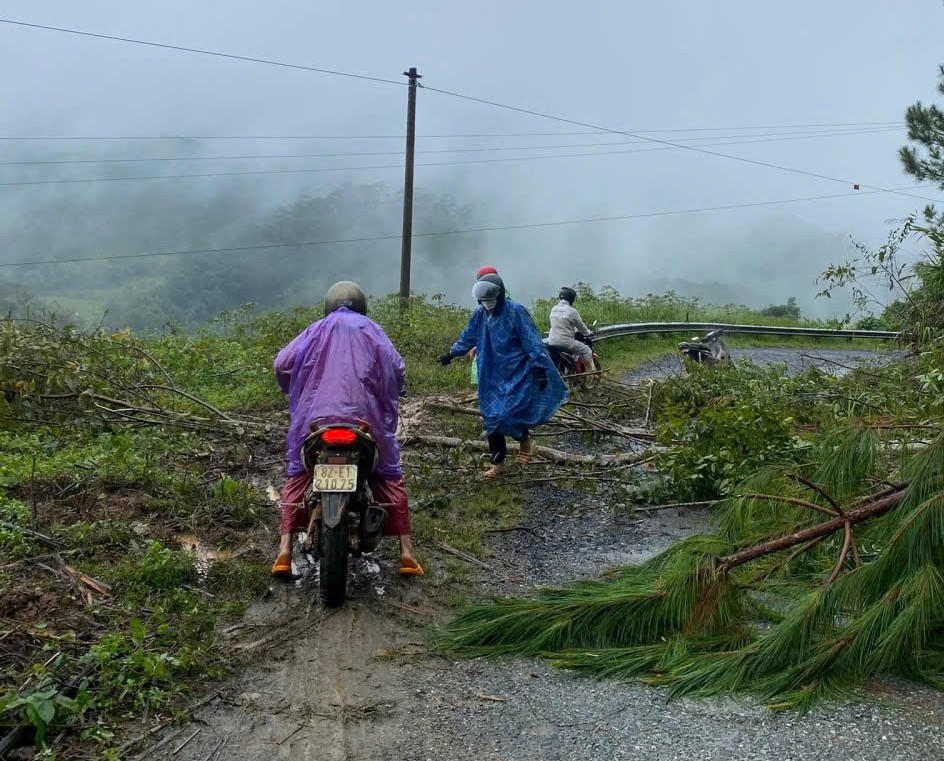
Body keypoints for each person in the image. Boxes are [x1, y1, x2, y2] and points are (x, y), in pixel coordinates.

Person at [270, 281, 423, 579]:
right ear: (363, 306)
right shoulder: (371, 329)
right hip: (366, 421)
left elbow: (281, 363)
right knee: (388, 475)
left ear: (328, 306)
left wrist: (293, 386)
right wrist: (396, 389)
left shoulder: (314, 330)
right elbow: (397, 368)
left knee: (299, 475)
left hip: (315, 421)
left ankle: (284, 553)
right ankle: (406, 554)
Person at [440, 274, 567, 478]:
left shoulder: (515, 312)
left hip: (517, 371)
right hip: (490, 374)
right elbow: (468, 336)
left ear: (500, 294)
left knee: (510, 413)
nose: (487, 303)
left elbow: (532, 341)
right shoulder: (480, 315)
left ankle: (525, 442)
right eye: (483, 300)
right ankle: (497, 463)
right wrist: (452, 353)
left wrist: (540, 367)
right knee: (491, 417)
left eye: (490, 299)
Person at [548, 286, 595, 373]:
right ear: (571, 299)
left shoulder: (553, 309)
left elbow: (559, 324)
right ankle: (590, 373)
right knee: (586, 350)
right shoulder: (572, 311)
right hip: (565, 342)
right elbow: (581, 327)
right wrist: (588, 333)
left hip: (551, 341)